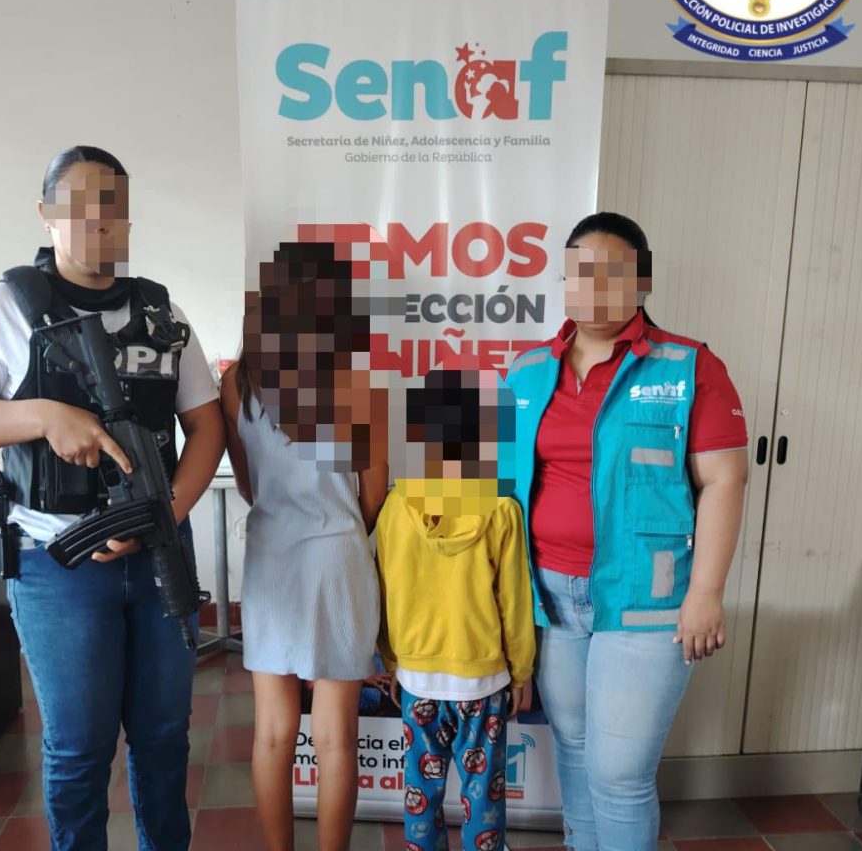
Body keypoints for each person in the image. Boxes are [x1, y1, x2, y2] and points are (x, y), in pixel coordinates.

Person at [0, 145, 224, 851]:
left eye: (113, 206)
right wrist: (43, 416)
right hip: (54, 562)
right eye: (81, 204)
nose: (99, 220)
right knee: (80, 747)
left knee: (163, 737)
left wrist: (165, 513)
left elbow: (206, 426)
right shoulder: (5, 306)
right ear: (47, 213)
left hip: (159, 552)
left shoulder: (160, 311)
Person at [506, 211, 749, 851]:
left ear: (642, 281)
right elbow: (504, 491)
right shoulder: (527, 370)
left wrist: (706, 592)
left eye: (612, 272)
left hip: (648, 599)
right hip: (549, 599)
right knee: (576, 748)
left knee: (619, 773)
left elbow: (725, 480)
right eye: (579, 272)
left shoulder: (688, 366)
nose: (593, 286)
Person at [220, 228, 389, 851]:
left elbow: (246, 482)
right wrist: (336, 521)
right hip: (339, 558)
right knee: (336, 736)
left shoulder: (237, 382)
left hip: (270, 559)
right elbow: (375, 493)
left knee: (272, 732)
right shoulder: (359, 384)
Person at [376, 362, 535, 851]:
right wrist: (522, 671)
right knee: (482, 796)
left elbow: (386, 592)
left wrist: (391, 660)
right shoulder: (502, 509)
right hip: (481, 679)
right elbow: (515, 602)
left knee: (420, 794)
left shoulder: (395, 509)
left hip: (417, 678)